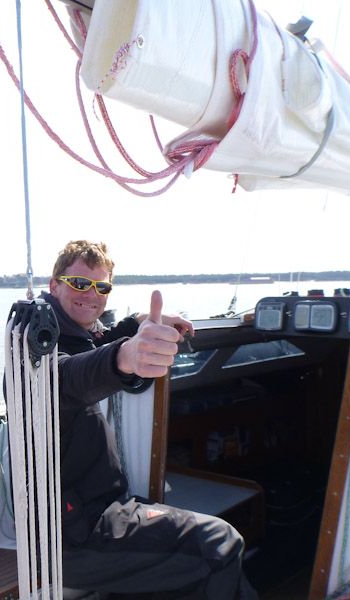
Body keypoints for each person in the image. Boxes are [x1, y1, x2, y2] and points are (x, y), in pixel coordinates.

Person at [43, 240, 256, 599]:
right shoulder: (36, 352)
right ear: (54, 284)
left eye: (101, 287)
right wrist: (125, 357)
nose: (91, 295)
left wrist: (138, 322)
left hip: (97, 512)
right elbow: (67, 377)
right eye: (80, 284)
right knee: (221, 543)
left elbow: (97, 342)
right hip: (78, 536)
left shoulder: (66, 333)